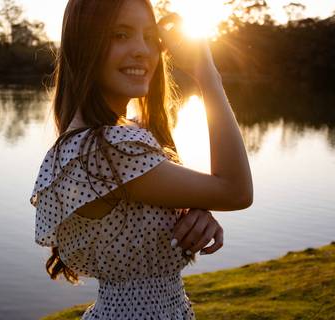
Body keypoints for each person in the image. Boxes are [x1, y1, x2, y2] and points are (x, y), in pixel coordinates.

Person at [29, 0, 253, 318]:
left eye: (150, 37)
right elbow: (236, 191)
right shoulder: (106, 148)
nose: (142, 50)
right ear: (84, 45)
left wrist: (196, 207)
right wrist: (209, 76)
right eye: (120, 35)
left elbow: (144, 209)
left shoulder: (100, 140)